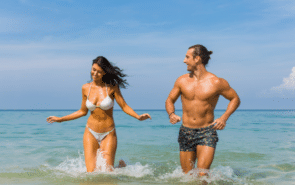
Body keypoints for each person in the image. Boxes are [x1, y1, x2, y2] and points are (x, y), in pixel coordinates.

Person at [47, 56, 151, 172]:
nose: (95, 73)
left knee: (107, 173)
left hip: (108, 133)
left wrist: (138, 116)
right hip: (90, 132)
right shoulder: (85, 88)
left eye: (99, 72)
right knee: (91, 173)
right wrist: (60, 119)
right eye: (93, 69)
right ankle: (119, 167)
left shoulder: (112, 87)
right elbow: (82, 111)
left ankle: (119, 167)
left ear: (104, 73)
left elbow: (124, 106)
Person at [165, 44, 240, 176]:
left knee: (202, 174)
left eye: (187, 57)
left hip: (207, 132)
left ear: (197, 59)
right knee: (187, 176)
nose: (184, 60)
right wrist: (171, 114)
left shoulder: (216, 82)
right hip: (185, 131)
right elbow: (169, 100)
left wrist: (224, 118)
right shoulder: (181, 81)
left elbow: (235, 99)